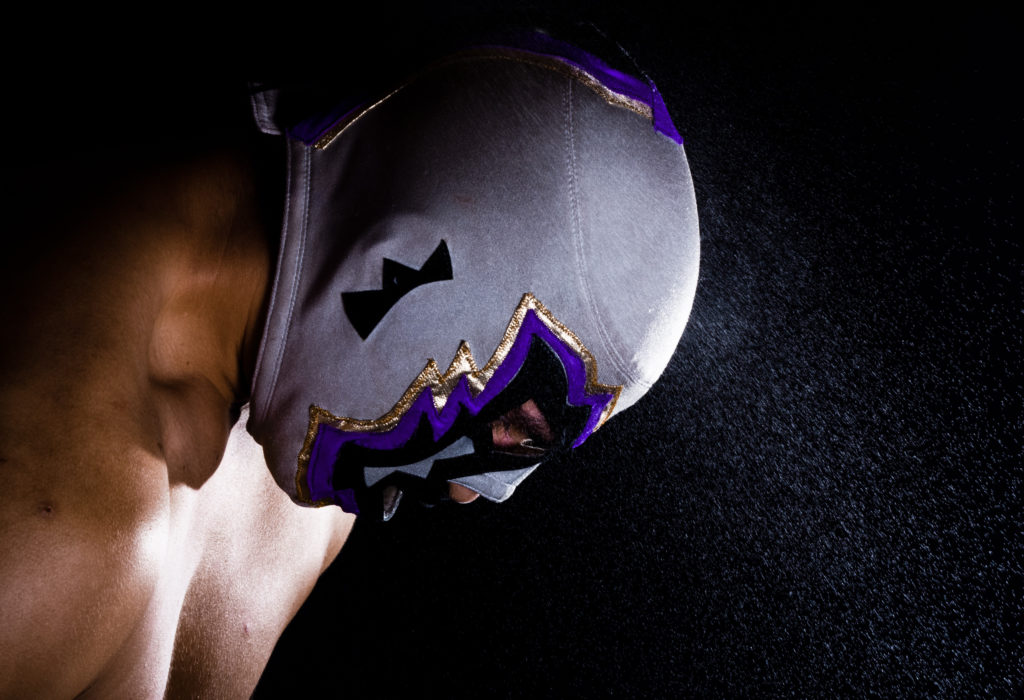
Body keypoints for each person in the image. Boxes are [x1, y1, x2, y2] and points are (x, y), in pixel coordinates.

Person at [0, 33, 698, 697]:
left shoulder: (302, 500)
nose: (468, 493)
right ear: (414, 268)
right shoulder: (46, 507)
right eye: (514, 425)